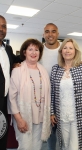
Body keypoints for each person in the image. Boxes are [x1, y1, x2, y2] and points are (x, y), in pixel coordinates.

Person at [8, 39, 51, 150]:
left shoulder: (43, 71)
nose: (33, 52)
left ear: (40, 53)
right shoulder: (17, 70)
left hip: (41, 117)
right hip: (24, 117)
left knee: (37, 147)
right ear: (24, 52)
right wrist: (18, 119)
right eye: (30, 49)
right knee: (25, 147)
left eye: (36, 50)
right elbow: (11, 98)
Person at [50, 38, 82, 150]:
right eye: (65, 48)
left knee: (77, 146)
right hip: (61, 115)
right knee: (64, 145)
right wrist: (52, 112)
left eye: (70, 48)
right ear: (61, 51)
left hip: (79, 115)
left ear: (75, 51)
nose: (67, 51)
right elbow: (52, 93)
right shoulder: (55, 69)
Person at [40, 23, 61, 150]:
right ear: (43, 34)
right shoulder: (39, 50)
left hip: (62, 96)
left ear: (57, 34)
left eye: (53, 31)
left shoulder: (64, 49)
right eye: (47, 31)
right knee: (49, 130)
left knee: (64, 130)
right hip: (44, 96)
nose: (50, 34)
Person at [0, 15, 19, 150]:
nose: (1, 29)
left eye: (4, 26)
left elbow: (18, 59)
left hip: (4, 102)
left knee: (2, 136)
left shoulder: (8, 49)